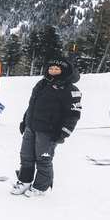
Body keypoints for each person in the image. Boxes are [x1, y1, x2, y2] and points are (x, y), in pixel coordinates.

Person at [11, 56, 81, 197]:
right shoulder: (42, 84)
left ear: (64, 71)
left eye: (57, 69)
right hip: (32, 126)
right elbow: (32, 105)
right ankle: (24, 181)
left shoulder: (70, 89)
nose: (53, 71)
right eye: (51, 68)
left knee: (43, 159)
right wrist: (25, 121)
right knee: (26, 156)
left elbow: (74, 114)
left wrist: (63, 132)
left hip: (49, 131)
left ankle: (41, 187)